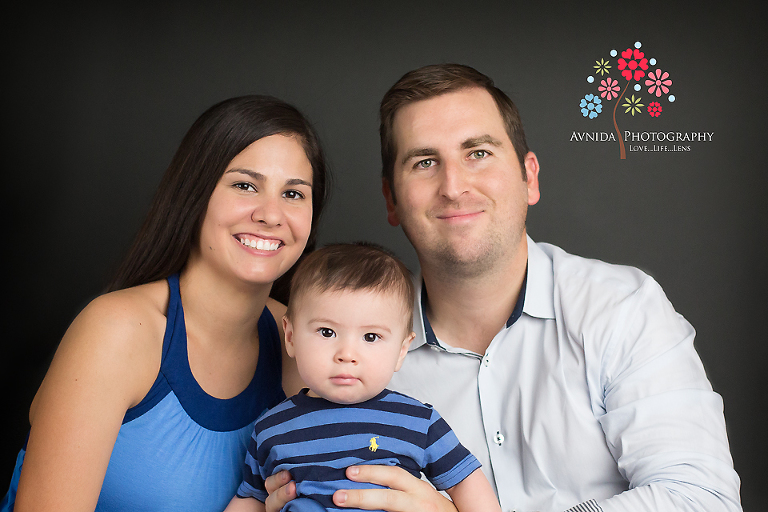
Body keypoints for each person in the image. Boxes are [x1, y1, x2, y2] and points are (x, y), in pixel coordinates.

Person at [266, 64, 743, 512]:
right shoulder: (348, 347)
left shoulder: (620, 307)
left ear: (528, 177)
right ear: (391, 200)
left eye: (478, 153)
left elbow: (702, 498)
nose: (453, 186)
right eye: (425, 162)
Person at [6, 95, 328, 512]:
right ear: (195, 195)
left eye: (294, 194)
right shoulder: (118, 331)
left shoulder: (302, 337)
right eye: (245, 185)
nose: (271, 214)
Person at [224, 243, 501, 512]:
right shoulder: (271, 428)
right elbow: (250, 499)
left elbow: (466, 481)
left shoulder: (418, 421)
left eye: (371, 337)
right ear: (291, 336)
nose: (347, 354)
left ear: (401, 350)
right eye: (327, 332)